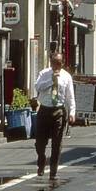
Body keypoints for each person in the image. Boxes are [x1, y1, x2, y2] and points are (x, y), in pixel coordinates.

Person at [33, 53, 76, 182]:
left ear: (62, 63)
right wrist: (51, 80)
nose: (55, 65)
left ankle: (53, 171)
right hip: (44, 109)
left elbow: (70, 96)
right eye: (53, 62)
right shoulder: (44, 73)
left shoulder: (67, 77)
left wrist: (72, 112)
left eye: (58, 63)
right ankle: (41, 159)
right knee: (40, 143)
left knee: (57, 144)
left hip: (58, 111)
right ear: (50, 62)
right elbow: (38, 87)